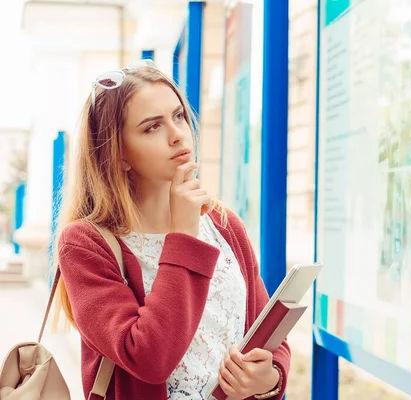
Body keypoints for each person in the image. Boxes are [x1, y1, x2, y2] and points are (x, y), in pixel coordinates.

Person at [52, 60, 290, 400]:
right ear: (118, 154)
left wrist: (270, 378)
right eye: (152, 127)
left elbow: (266, 331)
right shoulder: (85, 245)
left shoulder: (224, 224)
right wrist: (183, 236)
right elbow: (150, 358)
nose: (177, 134)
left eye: (178, 116)